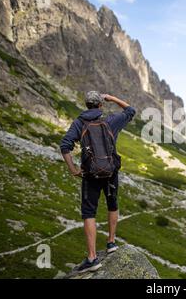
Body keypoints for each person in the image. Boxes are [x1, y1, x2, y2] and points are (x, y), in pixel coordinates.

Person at [60, 91, 135, 273]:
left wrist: (73, 170)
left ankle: (92, 258)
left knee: (89, 213)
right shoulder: (110, 121)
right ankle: (111, 242)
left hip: (90, 174)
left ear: (86, 105)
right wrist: (112, 97)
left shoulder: (79, 123)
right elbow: (130, 110)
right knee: (112, 204)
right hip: (110, 173)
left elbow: (65, 146)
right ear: (100, 105)